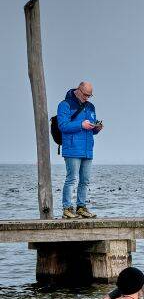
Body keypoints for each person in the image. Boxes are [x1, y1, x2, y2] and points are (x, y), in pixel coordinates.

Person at [58, 81, 103, 219]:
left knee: (85, 181)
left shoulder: (91, 107)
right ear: (78, 90)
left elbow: (90, 130)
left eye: (90, 95)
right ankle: (67, 208)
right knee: (71, 179)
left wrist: (96, 128)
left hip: (87, 149)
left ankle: (81, 207)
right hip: (72, 149)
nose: (87, 98)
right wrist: (81, 124)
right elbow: (63, 126)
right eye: (85, 95)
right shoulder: (64, 105)